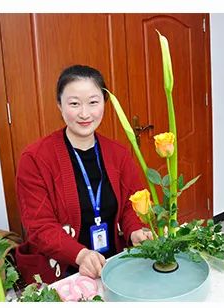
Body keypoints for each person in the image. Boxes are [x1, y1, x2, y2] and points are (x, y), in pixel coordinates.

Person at [14, 65, 150, 284]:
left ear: (104, 102)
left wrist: (135, 230)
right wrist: (80, 255)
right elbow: (39, 226)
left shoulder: (119, 154)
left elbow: (131, 205)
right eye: (74, 103)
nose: (85, 114)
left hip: (113, 265)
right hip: (65, 272)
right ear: (59, 105)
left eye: (93, 102)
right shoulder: (35, 158)